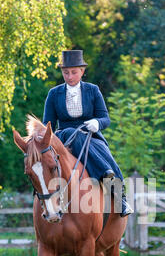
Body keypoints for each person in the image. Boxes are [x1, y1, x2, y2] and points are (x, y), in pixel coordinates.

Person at [43, 49, 133, 217]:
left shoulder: (93, 90)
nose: (70, 76)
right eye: (66, 72)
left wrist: (97, 123)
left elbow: (106, 118)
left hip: (91, 135)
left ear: (82, 71)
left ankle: (120, 198)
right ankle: (43, 195)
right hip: (64, 137)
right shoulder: (54, 94)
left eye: (74, 72)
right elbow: (46, 125)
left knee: (109, 157)